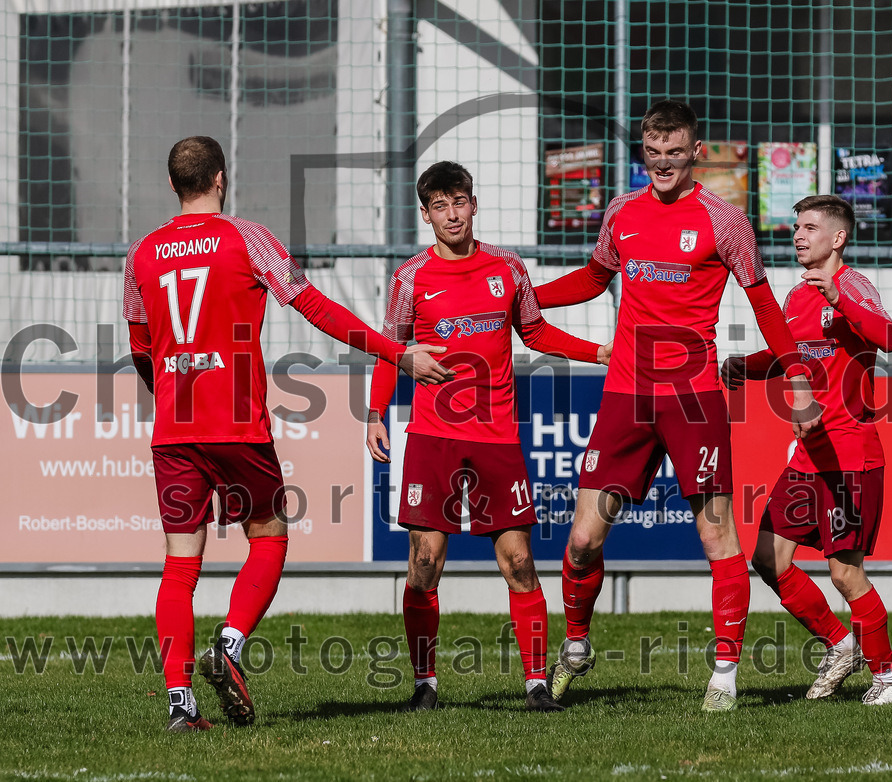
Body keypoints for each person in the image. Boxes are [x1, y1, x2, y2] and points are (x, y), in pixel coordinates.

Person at [123, 136, 453, 733]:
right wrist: (397, 353)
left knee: (179, 565)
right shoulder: (248, 238)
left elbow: (141, 350)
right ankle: (229, 644)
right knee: (269, 536)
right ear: (221, 178)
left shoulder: (142, 254)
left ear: (173, 185)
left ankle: (179, 704)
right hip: (236, 424)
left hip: (174, 428)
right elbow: (316, 307)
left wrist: (172, 392)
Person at [533, 100, 822, 712]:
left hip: (694, 401)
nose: (662, 163)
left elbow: (765, 306)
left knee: (718, 535)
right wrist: (525, 296)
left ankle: (723, 676)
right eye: (652, 153)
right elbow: (592, 278)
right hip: (625, 396)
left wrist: (796, 378)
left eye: (674, 153)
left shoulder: (724, 220)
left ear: (696, 153)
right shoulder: (622, 212)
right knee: (583, 539)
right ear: (644, 154)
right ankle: (577, 645)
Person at [365, 161, 611, 713]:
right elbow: (391, 346)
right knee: (424, 562)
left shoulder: (506, 266)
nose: (452, 214)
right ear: (426, 214)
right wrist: (376, 412)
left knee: (519, 561)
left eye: (460, 202)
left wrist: (597, 351)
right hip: (433, 436)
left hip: (497, 437)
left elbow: (536, 329)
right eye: (440, 205)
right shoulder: (410, 277)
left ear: (473, 204)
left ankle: (535, 685)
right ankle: (424, 684)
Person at [723, 195, 892, 705]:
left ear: (838, 237)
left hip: (851, 458)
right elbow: (791, 356)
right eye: (796, 227)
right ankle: (838, 642)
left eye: (809, 227)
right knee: (766, 557)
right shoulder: (796, 297)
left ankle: (888, 679)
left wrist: (840, 300)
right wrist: (748, 365)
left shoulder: (852, 285)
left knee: (845, 573)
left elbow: (889, 337)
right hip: (808, 458)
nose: (798, 236)